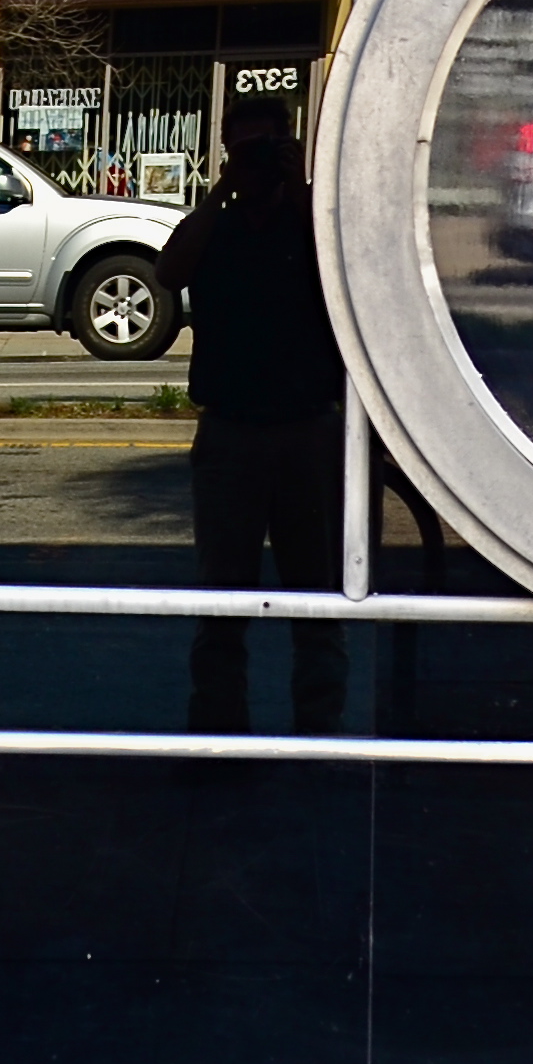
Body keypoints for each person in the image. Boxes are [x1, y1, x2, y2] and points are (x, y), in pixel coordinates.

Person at [161, 102, 346, 734]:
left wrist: (298, 192)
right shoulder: (216, 225)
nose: (257, 162)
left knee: (317, 597)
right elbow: (169, 272)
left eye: (267, 147)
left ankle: (320, 736)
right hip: (231, 428)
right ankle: (218, 735)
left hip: (306, 428)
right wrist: (223, 191)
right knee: (222, 598)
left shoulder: (314, 222)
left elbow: (348, 277)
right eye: (244, 149)